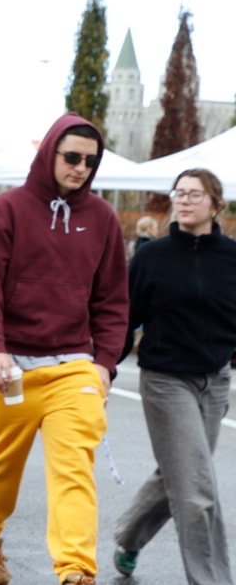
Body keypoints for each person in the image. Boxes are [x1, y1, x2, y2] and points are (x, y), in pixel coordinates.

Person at [0, 114, 128, 585]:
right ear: (50, 153)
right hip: (9, 364)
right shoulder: (11, 207)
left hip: (73, 367)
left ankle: (77, 571)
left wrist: (104, 365)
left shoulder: (103, 218)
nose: (80, 167)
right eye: (72, 157)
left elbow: (113, 300)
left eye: (89, 161)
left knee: (75, 467)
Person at [112, 168, 236, 584]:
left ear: (216, 204)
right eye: (178, 193)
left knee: (179, 473)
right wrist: (103, 369)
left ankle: (128, 535)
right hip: (166, 381)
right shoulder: (152, 256)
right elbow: (124, 318)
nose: (183, 200)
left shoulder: (231, 258)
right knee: (198, 489)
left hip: (215, 381)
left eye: (194, 194)